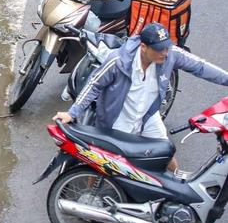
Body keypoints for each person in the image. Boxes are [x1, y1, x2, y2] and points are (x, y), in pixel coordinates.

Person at [54, 22, 228, 172]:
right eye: (160, 50)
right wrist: (72, 113)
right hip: (117, 122)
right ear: (143, 47)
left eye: (166, 47)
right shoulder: (118, 62)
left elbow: (201, 67)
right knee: (107, 167)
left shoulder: (170, 55)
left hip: (147, 117)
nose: (165, 53)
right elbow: (94, 85)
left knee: (166, 152)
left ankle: (178, 186)